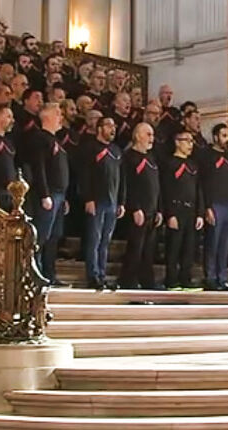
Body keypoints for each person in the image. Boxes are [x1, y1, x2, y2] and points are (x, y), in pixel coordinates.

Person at [80, 117, 125, 291]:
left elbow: (122, 178)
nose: (113, 129)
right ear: (99, 128)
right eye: (109, 125)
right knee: (94, 239)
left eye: (114, 126)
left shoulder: (116, 151)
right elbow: (85, 175)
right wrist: (88, 198)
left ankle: (102, 274)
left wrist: (121, 201)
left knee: (105, 241)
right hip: (97, 200)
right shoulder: (90, 148)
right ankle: (93, 276)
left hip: (112, 202)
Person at [27, 103, 70, 287]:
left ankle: (50, 274)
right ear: (46, 116)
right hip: (49, 195)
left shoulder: (55, 140)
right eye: (57, 113)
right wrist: (45, 194)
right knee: (41, 236)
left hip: (59, 195)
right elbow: (39, 168)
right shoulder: (40, 138)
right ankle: (35, 274)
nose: (61, 117)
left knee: (54, 237)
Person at [120, 123, 161, 289]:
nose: (152, 138)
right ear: (137, 136)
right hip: (137, 210)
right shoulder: (129, 157)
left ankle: (147, 281)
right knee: (135, 249)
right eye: (148, 134)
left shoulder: (152, 158)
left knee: (149, 250)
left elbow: (157, 186)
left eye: (153, 135)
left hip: (152, 210)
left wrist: (159, 210)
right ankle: (128, 281)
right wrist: (135, 208)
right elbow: (128, 185)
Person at [162, 130, 203, 290]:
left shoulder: (193, 165)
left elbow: (198, 189)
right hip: (176, 209)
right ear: (177, 142)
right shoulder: (169, 163)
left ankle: (186, 279)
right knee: (174, 247)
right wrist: (170, 214)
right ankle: (171, 280)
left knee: (189, 247)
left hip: (191, 211)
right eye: (187, 141)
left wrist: (199, 213)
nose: (190, 144)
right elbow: (166, 190)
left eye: (192, 141)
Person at [201, 123, 228, 291]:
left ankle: (222, 278)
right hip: (215, 204)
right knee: (213, 243)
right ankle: (210, 277)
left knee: (226, 244)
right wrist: (207, 206)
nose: (226, 139)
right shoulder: (207, 154)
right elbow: (204, 182)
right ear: (215, 137)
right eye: (223, 135)